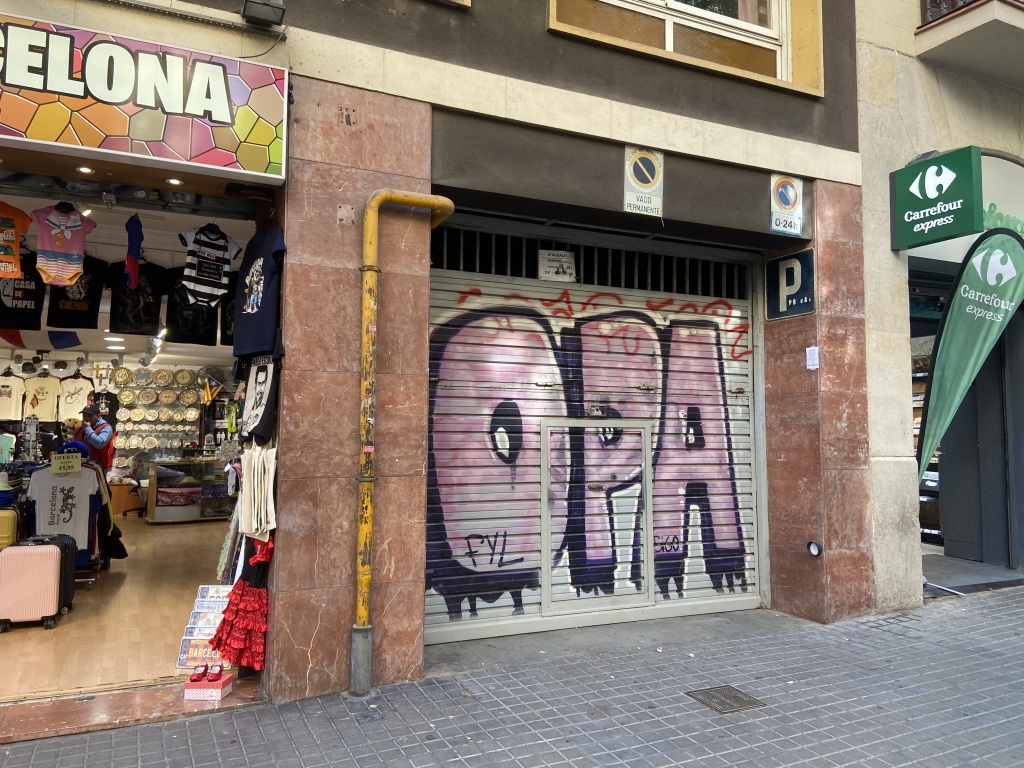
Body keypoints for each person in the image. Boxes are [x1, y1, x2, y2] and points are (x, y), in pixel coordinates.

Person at [79, 403, 115, 469]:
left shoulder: (106, 427)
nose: (87, 418)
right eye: (84, 416)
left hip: (100, 466)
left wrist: (87, 429)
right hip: (84, 465)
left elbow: (99, 444)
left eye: (90, 416)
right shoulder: (83, 427)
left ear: (98, 416)